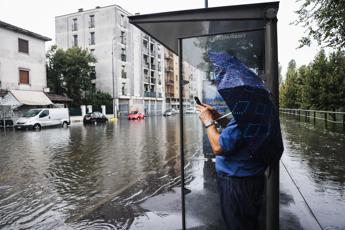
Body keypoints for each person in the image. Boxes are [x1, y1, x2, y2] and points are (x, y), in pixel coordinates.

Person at [196, 103, 267, 230]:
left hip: (238, 184)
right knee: (247, 223)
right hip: (250, 179)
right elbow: (237, 130)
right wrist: (217, 116)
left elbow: (218, 147)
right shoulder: (256, 109)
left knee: (237, 224)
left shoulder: (247, 113)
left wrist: (208, 121)